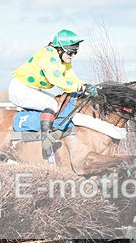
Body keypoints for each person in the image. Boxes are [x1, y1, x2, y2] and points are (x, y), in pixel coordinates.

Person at [10, 29, 88, 157]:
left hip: (31, 88)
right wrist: (79, 87)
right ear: (60, 49)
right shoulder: (49, 55)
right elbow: (56, 79)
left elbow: (71, 77)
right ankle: (45, 140)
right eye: (70, 51)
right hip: (20, 88)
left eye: (75, 52)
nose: (72, 55)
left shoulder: (63, 60)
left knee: (58, 103)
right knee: (51, 104)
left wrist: (84, 86)